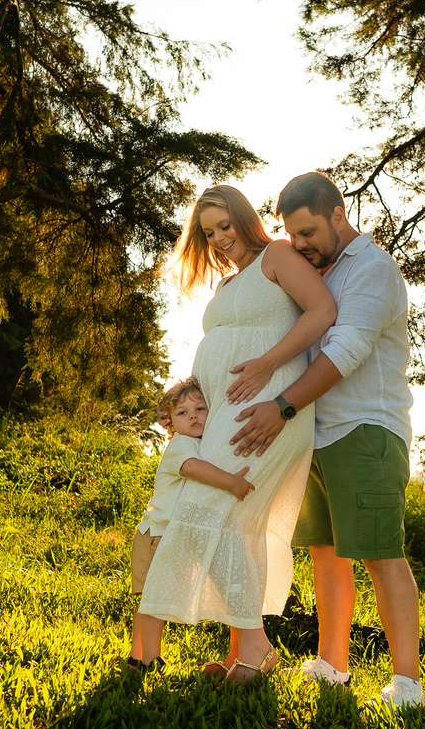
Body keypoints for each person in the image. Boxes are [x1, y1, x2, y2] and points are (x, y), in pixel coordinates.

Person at [230, 171, 425, 710]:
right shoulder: (321, 268)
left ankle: (406, 685)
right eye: (292, 235)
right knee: (326, 552)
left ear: (338, 215)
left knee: (381, 555)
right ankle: (332, 665)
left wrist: (282, 405)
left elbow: (345, 353)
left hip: (366, 429)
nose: (300, 244)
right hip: (315, 434)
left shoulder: (373, 270)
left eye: (309, 231)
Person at [137, 185, 337, 683]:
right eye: (209, 232)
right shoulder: (227, 283)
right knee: (229, 520)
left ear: (245, 218)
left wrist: (268, 365)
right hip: (221, 412)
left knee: (216, 511)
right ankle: (244, 653)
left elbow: (322, 311)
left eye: (225, 225)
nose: (220, 238)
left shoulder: (278, 255)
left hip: (266, 411)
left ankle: (254, 648)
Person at [128, 378, 255, 673]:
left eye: (200, 408)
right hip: (157, 534)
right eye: (183, 413)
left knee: (152, 598)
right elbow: (193, 469)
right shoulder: (181, 445)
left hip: (165, 534)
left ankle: (137, 657)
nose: (194, 416)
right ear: (169, 421)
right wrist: (232, 482)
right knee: (153, 601)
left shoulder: (196, 443)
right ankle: (149, 660)